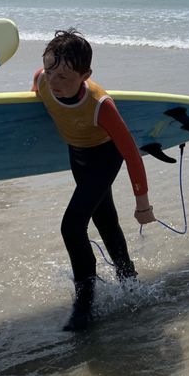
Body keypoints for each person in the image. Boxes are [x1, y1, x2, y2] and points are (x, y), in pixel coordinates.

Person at [33, 28, 156, 332]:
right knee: (105, 221)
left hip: (105, 156)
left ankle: (85, 304)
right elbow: (41, 86)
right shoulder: (42, 80)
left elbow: (131, 154)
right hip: (77, 155)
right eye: (51, 72)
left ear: (85, 74)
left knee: (72, 226)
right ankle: (131, 283)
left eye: (64, 77)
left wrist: (143, 204)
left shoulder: (101, 105)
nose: (55, 82)